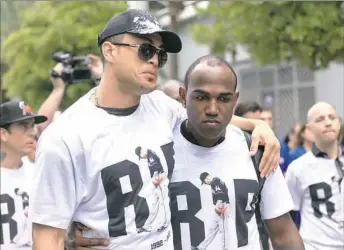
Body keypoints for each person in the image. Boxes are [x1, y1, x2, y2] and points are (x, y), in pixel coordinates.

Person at [30, 9, 280, 250]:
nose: (153, 60)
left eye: (160, 55)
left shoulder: (160, 107)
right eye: (145, 49)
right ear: (109, 50)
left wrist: (257, 125)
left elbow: (207, 117)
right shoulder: (64, 137)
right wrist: (66, 237)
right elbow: (47, 238)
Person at [74, 55, 303, 250]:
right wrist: (74, 234)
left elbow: (283, 235)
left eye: (223, 99)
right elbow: (109, 209)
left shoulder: (256, 151)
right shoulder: (158, 149)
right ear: (183, 97)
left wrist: (257, 126)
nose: (212, 109)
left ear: (235, 100)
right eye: (201, 97)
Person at [286, 102, 344, 250]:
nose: (328, 123)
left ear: (339, 123)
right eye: (320, 119)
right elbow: (289, 217)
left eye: (332, 117)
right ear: (309, 129)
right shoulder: (298, 168)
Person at [0, 101, 47, 250]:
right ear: (3, 134)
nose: (32, 132)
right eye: (23, 126)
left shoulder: (39, 174)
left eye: (32, 125)